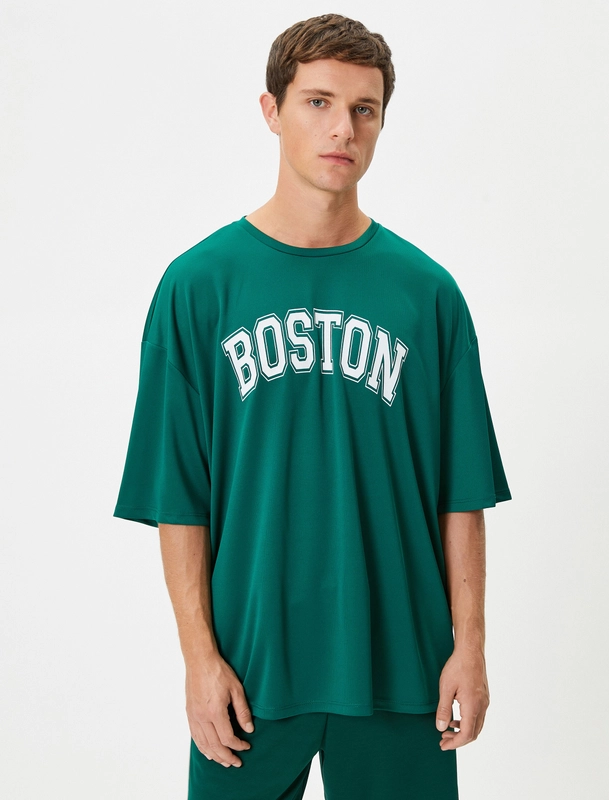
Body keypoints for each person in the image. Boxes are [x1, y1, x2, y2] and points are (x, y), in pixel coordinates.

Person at [113, 12, 512, 800]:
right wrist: (199, 660)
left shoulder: (426, 294)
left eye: (364, 109)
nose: (342, 130)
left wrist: (469, 648)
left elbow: (459, 494)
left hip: (401, 665)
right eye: (318, 103)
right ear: (271, 110)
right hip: (249, 674)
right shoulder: (198, 287)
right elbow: (178, 497)